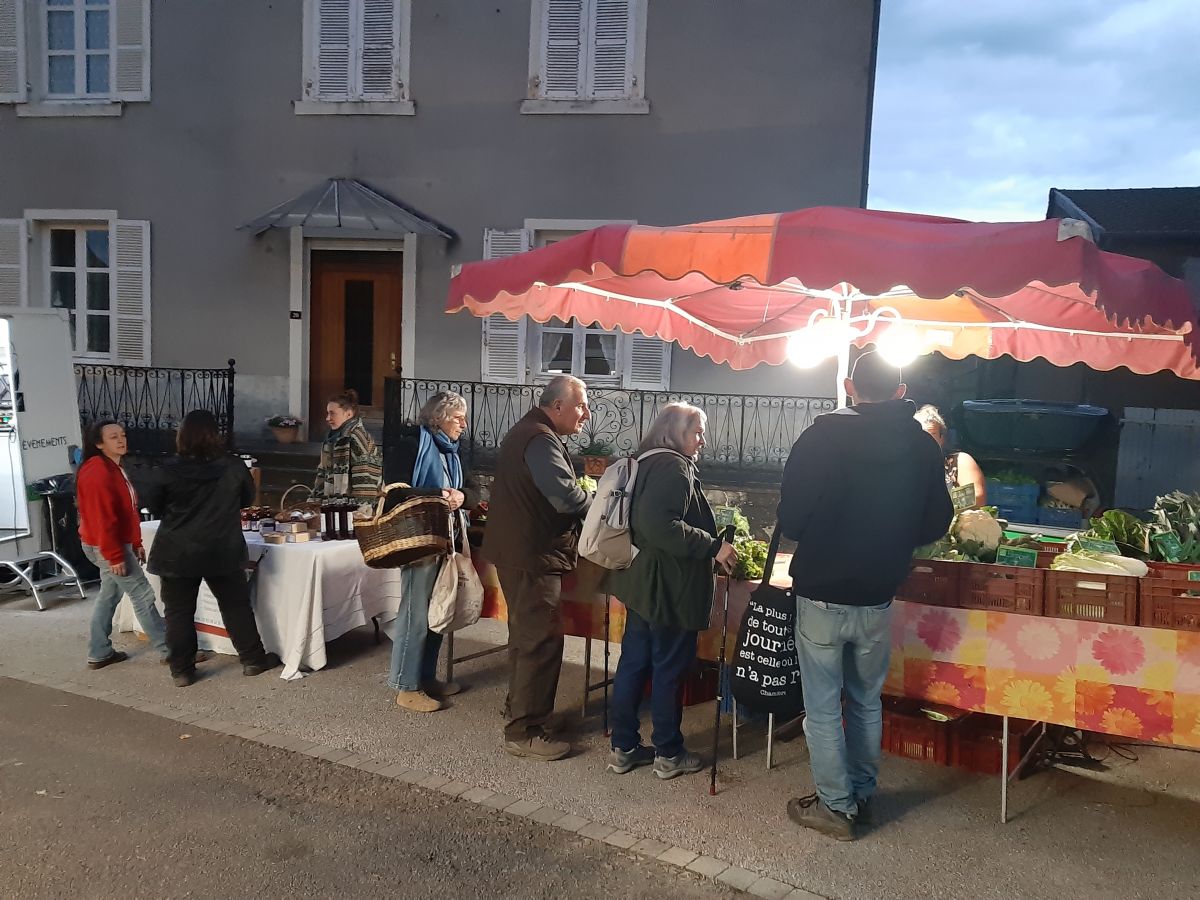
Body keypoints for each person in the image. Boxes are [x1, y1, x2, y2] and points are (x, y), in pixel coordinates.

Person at [778, 352, 953, 841]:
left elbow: (791, 520)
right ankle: (862, 794)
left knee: (822, 708)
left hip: (821, 593)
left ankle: (836, 807)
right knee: (865, 701)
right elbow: (937, 521)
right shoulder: (921, 445)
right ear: (900, 392)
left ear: (850, 386)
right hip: (878, 593)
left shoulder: (819, 437)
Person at [605, 403, 737, 779]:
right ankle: (669, 753)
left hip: (645, 583)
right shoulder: (673, 466)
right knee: (668, 669)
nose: (702, 440)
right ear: (676, 431)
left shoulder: (646, 460)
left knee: (634, 664)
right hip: (668, 587)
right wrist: (714, 546)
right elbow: (659, 524)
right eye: (697, 432)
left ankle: (624, 748)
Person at [482, 375, 592, 761]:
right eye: (581, 405)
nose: (586, 414)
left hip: (523, 551)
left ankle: (524, 714)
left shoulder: (530, 432)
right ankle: (525, 732)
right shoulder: (540, 438)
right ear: (557, 405)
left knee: (527, 637)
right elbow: (564, 497)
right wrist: (598, 505)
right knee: (539, 641)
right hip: (532, 554)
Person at [143, 410, 281, 687]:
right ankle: (253, 660)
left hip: (178, 550)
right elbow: (246, 499)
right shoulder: (233, 466)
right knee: (235, 605)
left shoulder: (167, 469)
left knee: (178, 611)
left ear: (182, 435)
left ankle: (182, 670)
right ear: (215, 435)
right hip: (221, 546)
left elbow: (153, 505)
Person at [385, 391, 480, 713]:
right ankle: (406, 685)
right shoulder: (411, 445)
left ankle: (426, 677)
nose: (464, 425)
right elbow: (394, 493)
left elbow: (474, 490)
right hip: (418, 540)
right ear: (438, 418)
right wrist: (439, 494)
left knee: (437, 611)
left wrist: (462, 496)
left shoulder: (453, 450)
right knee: (415, 614)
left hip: (447, 540)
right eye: (458, 419)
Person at [76, 420, 169, 669]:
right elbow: (102, 518)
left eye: (123, 435)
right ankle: (169, 650)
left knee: (109, 595)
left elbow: (128, 511)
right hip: (107, 545)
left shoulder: (112, 467)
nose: (121, 440)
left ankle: (99, 652)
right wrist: (115, 555)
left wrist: (135, 542)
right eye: (113, 437)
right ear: (98, 444)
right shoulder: (98, 471)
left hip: (111, 543)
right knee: (142, 594)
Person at [313, 389, 382, 504]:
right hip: (333, 506)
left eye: (332, 413)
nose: (327, 418)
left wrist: (361, 510)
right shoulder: (331, 439)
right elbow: (323, 473)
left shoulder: (357, 437)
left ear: (349, 414)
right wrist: (314, 501)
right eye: (328, 413)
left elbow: (365, 480)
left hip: (353, 508)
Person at [914, 404, 987, 506]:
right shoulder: (902, 465)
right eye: (920, 436)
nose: (926, 441)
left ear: (942, 438)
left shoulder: (959, 461)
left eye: (932, 435)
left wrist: (930, 505)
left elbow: (975, 497)